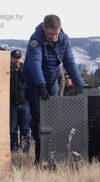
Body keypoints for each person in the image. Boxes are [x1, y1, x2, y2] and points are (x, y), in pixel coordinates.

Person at [22, 14, 85, 163]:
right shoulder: (35, 40)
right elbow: (35, 63)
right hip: (34, 83)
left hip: (51, 83)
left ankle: (54, 157)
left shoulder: (63, 39)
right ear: (44, 28)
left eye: (56, 33)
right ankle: (40, 158)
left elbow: (70, 64)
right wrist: (40, 84)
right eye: (51, 34)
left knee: (55, 119)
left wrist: (82, 87)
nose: (54, 37)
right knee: (39, 120)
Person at [10, 49, 30, 153]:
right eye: (14, 58)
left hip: (24, 103)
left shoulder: (25, 69)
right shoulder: (6, 70)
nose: (16, 60)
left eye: (18, 58)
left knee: (25, 129)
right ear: (11, 58)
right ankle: (14, 151)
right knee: (12, 130)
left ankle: (25, 151)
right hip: (12, 104)